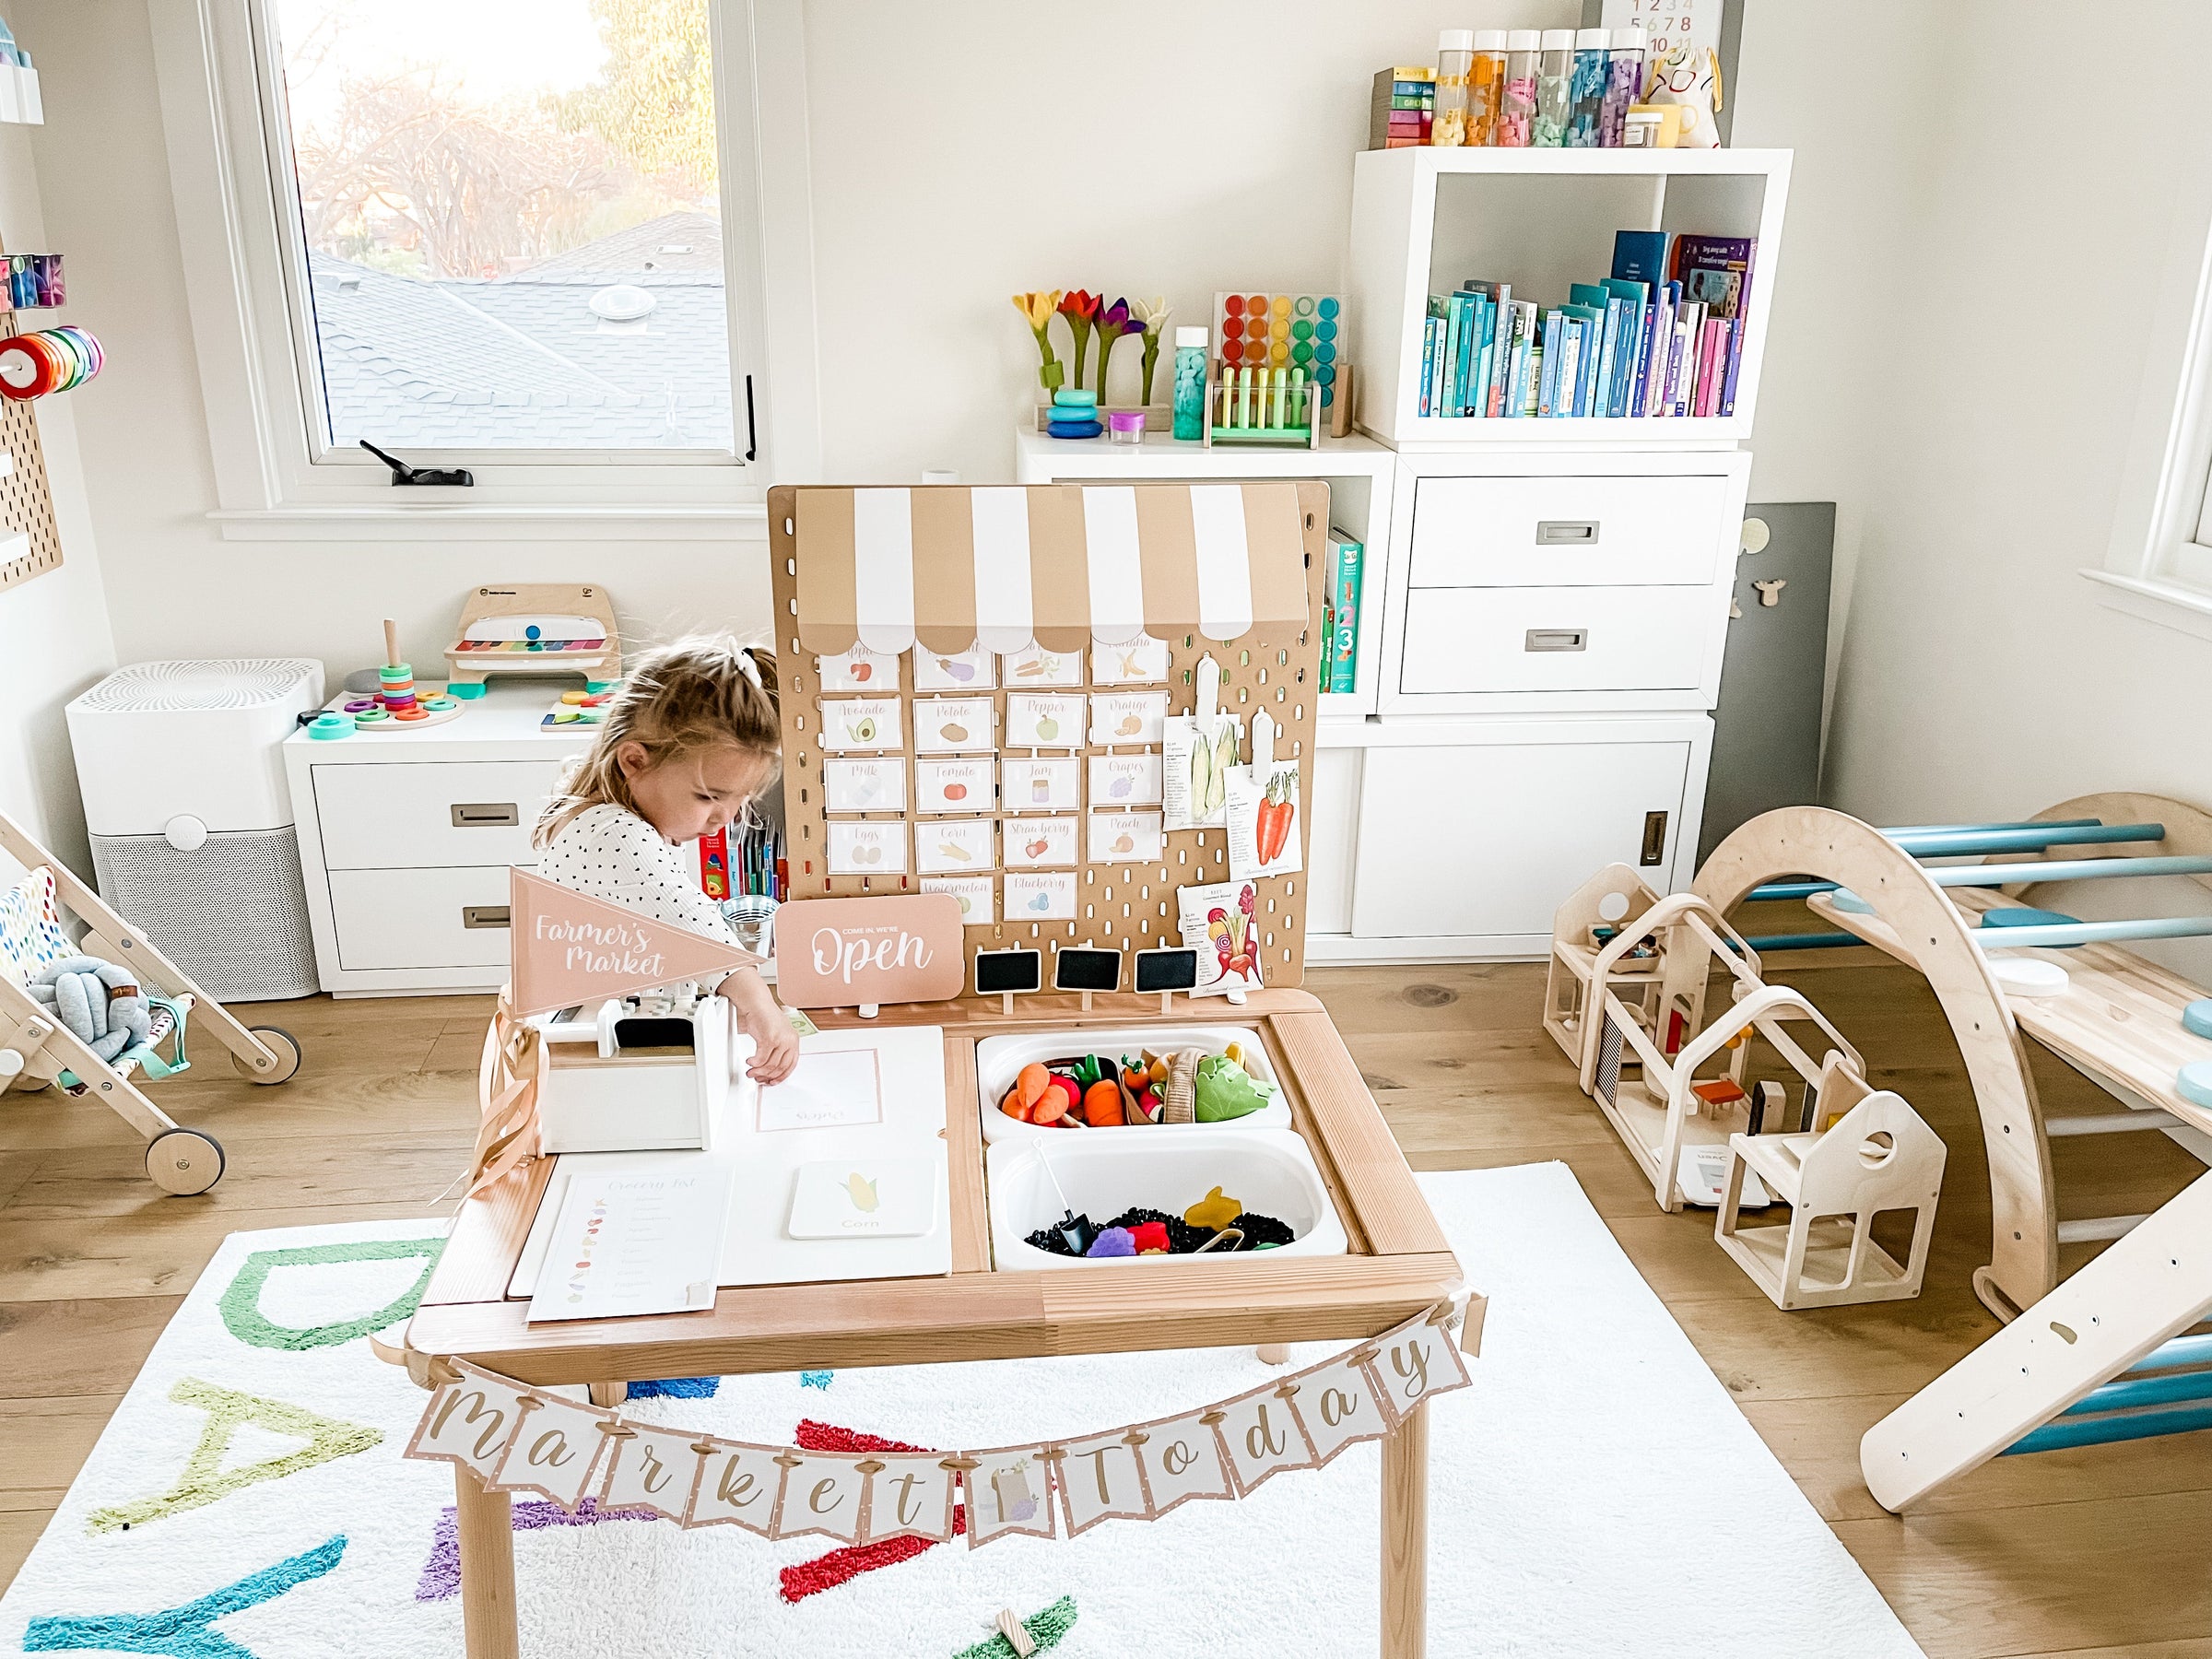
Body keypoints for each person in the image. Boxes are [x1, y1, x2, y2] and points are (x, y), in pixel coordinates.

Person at [535, 637, 799, 1083]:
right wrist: (759, 1003)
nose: (725, 818)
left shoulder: (622, 816)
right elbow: (687, 916)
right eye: (708, 797)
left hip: (607, 1034)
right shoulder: (611, 832)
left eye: (739, 799)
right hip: (583, 1058)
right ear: (634, 761)